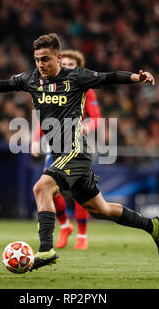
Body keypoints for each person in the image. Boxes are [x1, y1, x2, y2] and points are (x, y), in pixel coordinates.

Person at [0, 33, 159, 271]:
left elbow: (109, 77)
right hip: (60, 153)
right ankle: (153, 226)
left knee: (41, 187)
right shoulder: (31, 79)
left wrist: (136, 77)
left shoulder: (76, 76)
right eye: (37, 59)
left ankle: (46, 250)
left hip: (77, 149)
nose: (41, 64)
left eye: (45, 59)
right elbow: (1, 85)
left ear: (58, 57)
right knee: (101, 209)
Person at [30, 49, 101, 250]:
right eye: (66, 64)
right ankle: (65, 225)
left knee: (80, 192)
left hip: (77, 145)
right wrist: (36, 140)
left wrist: (87, 126)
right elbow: (44, 117)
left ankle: (82, 235)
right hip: (55, 145)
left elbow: (96, 117)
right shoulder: (52, 87)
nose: (68, 68)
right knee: (49, 189)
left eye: (72, 65)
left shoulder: (86, 88)